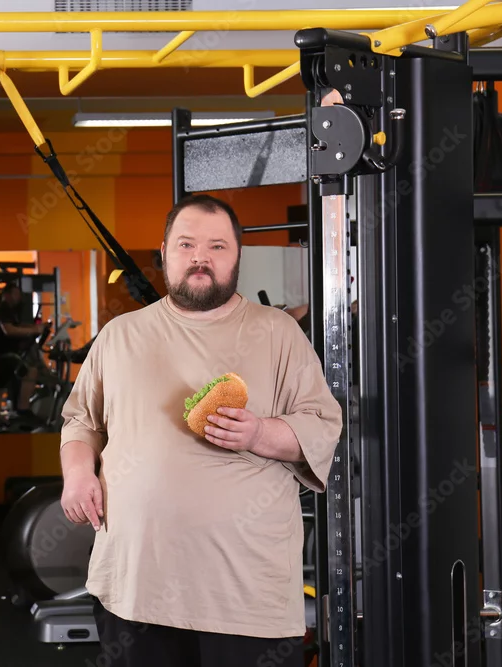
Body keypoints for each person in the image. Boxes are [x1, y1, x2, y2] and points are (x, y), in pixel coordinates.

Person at [58, 194, 343, 666]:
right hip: (135, 587)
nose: (200, 258)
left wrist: (258, 434)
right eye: (186, 244)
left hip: (244, 597)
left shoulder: (278, 332)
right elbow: (81, 420)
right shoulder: (120, 335)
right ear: (165, 251)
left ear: (237, 255)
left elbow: (322, 426)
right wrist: (77, 473)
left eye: (217, 246)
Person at [0, 283, 44, 421]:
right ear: (7, 294)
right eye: (15, 293)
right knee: (31, 371)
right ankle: (22, 409)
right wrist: (33, 330)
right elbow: (9, 330)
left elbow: (17, 326)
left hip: (4, 354)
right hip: (4, 355)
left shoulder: (9, 310)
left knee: (0, 389)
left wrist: (34, 327)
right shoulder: (4, 309)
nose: (18, 297)